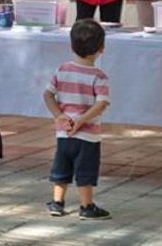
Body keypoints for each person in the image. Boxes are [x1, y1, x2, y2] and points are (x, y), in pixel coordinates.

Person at [43, 19, 111, 220]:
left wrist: (60, 116)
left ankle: (57, 203)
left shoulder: (62, 70)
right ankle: (86, 205)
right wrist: (81, 120)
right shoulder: (100, 76)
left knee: (61, 167)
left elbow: (47, 95)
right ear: (101, 49)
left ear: (71, 46)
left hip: (63, 132)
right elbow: (101, 103)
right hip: (88, 135)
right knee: (86, 171)